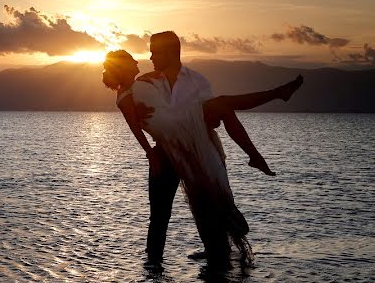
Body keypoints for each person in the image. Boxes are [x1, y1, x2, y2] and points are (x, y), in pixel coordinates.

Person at [102, 32, 302, 264]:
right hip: (170, 140)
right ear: (123, 68)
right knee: (160, 213)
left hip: (188, 131)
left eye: (153, 52)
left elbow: (207, 116)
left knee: (207, 191)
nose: (144, 59)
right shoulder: (130, 91)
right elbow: (133, 125)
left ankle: (222, 241)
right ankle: (153, 264)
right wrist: (150, 151)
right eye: (133, 60)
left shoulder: (159, 80)